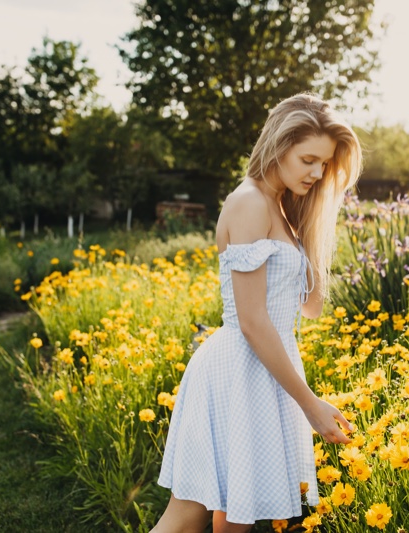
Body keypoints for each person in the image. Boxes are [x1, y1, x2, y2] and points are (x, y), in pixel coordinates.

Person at [151, 93, 363, 532]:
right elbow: (251, 320)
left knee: (236, 518)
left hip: (263, 370)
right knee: (187, 517)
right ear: (278, 145)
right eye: (308, 159)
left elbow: (311, 307)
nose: (317, 172)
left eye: (324, 165)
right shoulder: (249, 201)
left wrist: (315, 221)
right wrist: (310, 404)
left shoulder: (281, 207)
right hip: (236, 369)